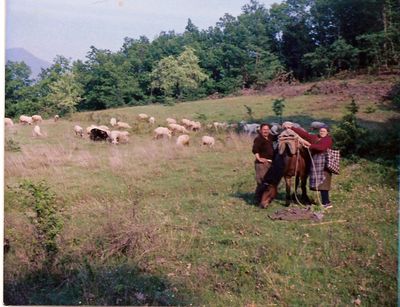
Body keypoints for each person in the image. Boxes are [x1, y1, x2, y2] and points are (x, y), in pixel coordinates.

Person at [283, 123, 334, 209]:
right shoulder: (315, 137)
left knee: (324, 183)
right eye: (321, 131)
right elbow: (305, 135)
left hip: (324, 163)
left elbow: (322, 148)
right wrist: (291, 127)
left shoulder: (328, 139)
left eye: (323, 131)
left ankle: (326, 203)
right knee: (320, 183)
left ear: (327, 132)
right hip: (316, 162)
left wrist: (310, 145)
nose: (321, 132)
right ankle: (325, 202)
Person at [252, 123, 275, 203]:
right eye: (264, 129)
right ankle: (258, 199)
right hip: (261, 164)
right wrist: (259, 158)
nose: (266, 131)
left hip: (270, 163)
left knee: (269, 181)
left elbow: (277, 137)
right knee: (262, 181)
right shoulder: (259, 139)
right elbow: (255, 150)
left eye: (267, 129)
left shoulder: (270, 137)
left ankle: (267, 197)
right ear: (261, 130)